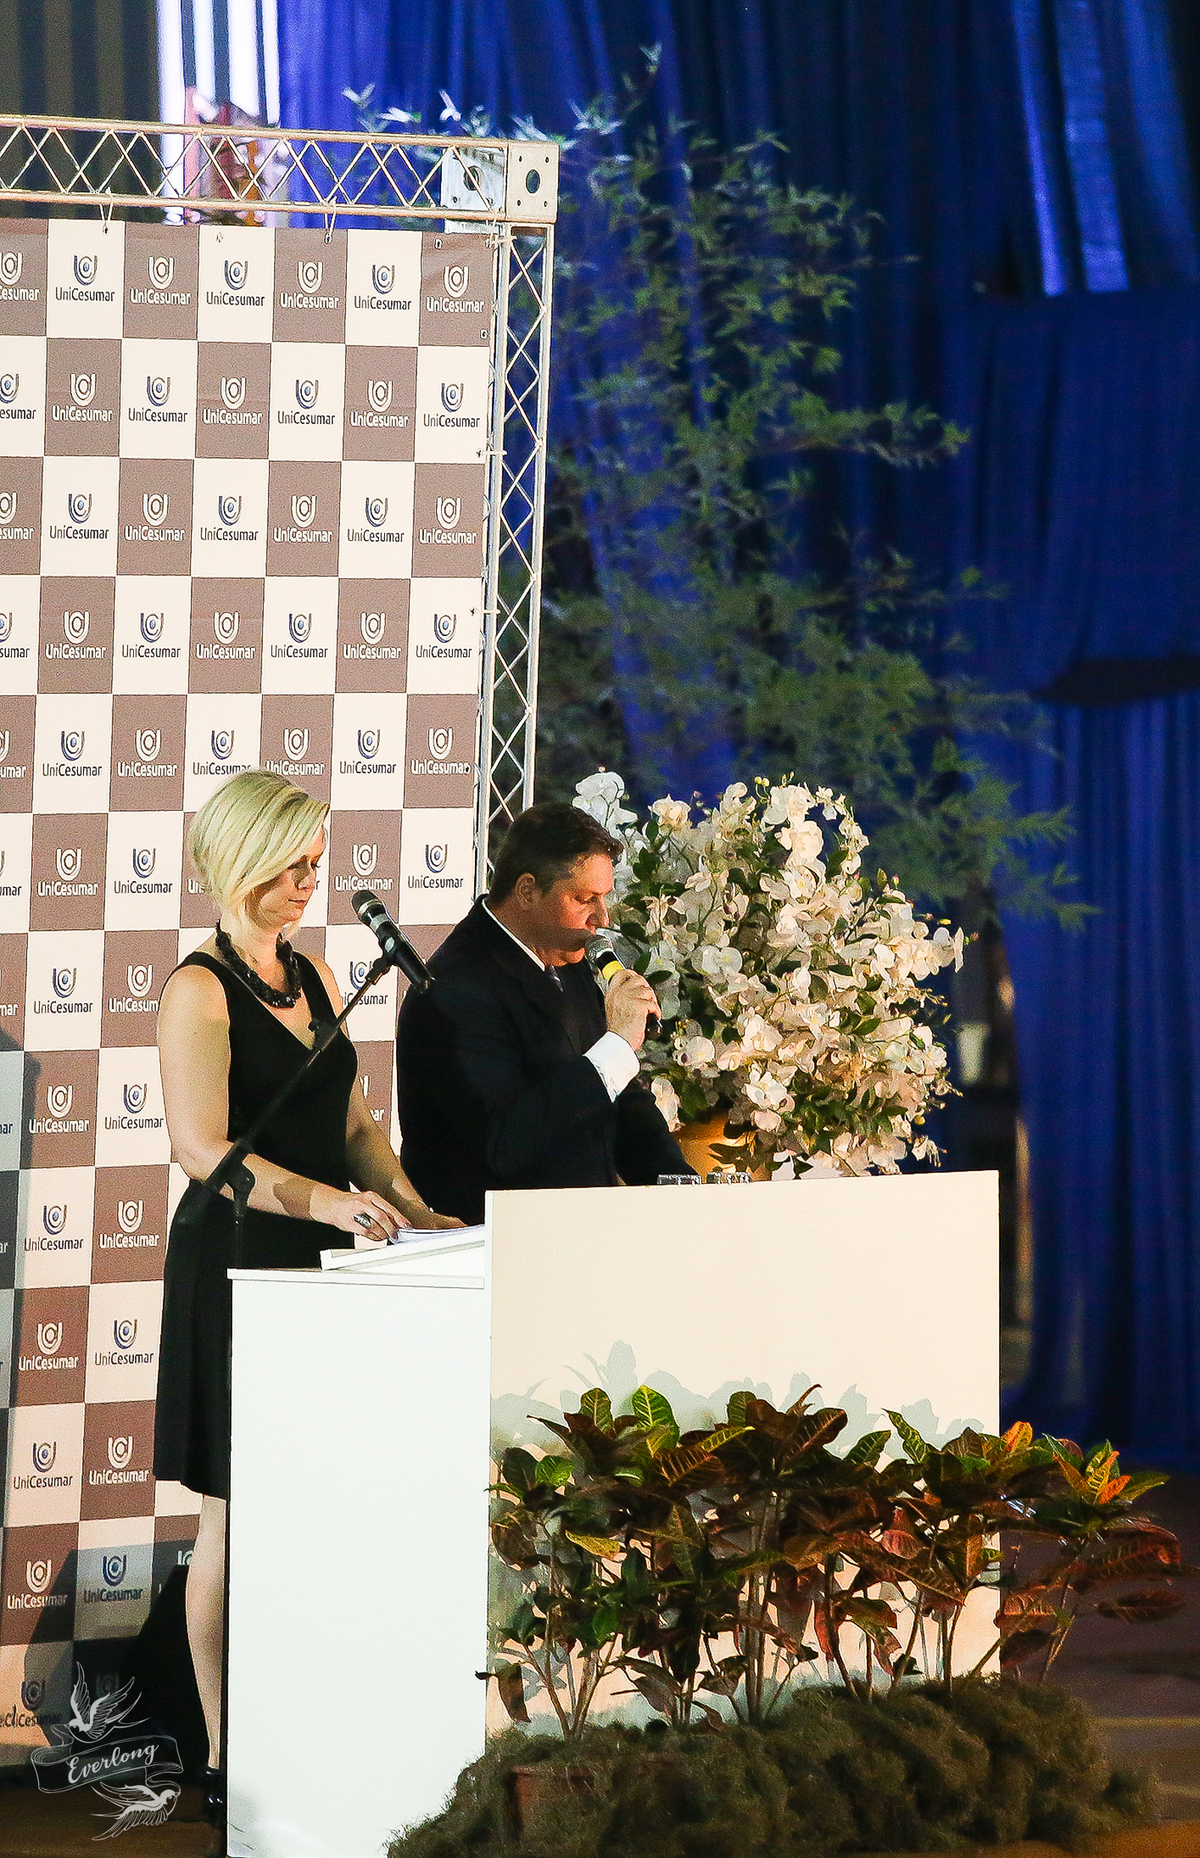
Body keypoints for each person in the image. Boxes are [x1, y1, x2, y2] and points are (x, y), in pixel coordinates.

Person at [153, 769, 460, 1826]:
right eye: (291, 866)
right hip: (239, 1257)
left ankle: (317, 1719)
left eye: (315, 865)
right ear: (240, 861)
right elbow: (202, 1149)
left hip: (327, 1264)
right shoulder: (198, 992)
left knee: (321, 1499)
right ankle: (223, 1749)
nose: (307, 883)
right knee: (235, 1512)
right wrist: (328, 1204)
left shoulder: (322, 976)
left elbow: (354, 1125)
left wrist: (416, 1210)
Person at [395, 801, 693, 1223]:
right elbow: (506, 1143)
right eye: (584, 899)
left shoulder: (564, 958)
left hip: (579, 1235)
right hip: (499, 1243)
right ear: (527, 891)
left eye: (604, 898)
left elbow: (620, 1102)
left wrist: (687, 1194)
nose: (601, 917)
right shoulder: (455, 988)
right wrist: (617, 1046)